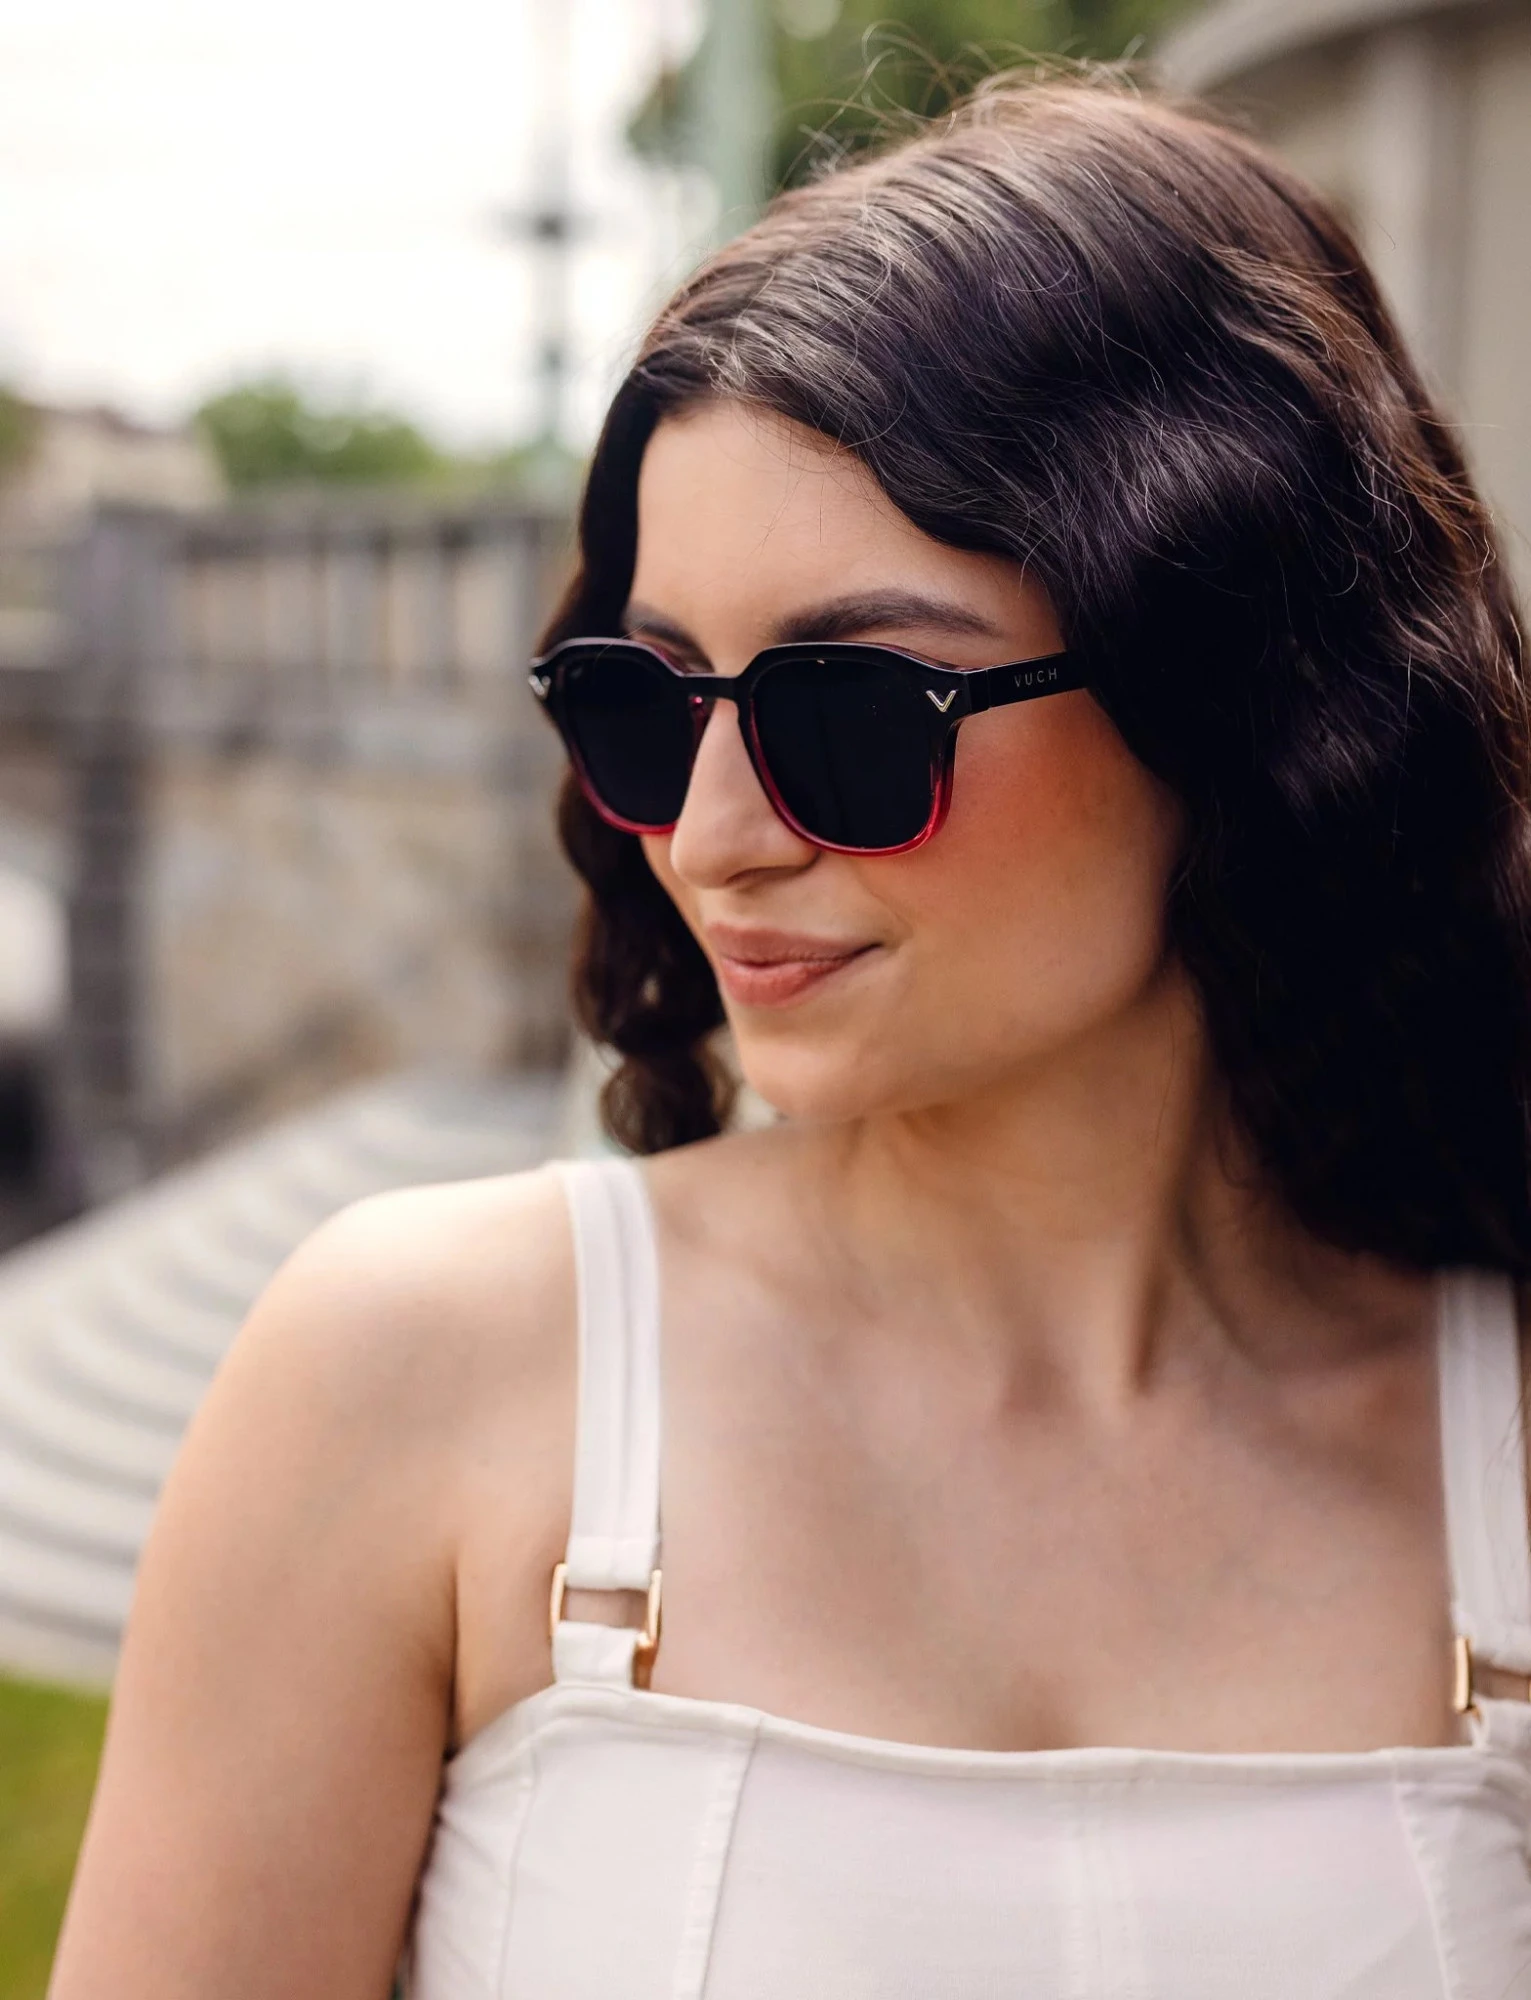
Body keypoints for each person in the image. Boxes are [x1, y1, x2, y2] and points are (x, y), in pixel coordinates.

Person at [49, 72, 1531, 2000]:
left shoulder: (1499, 1424)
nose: (711, 835)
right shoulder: (420, 1374)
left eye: (850, 713)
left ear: (1238, 688)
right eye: (647, 704)